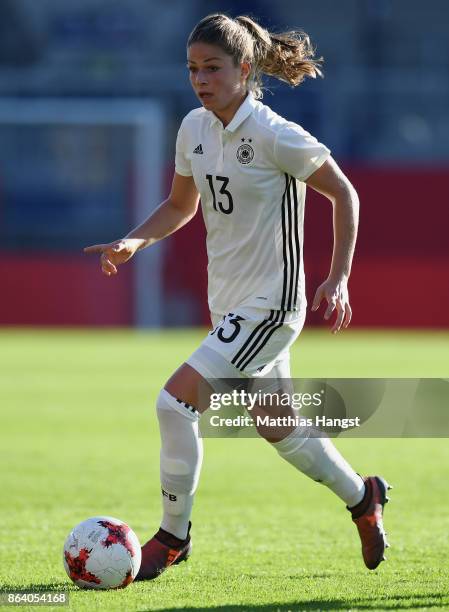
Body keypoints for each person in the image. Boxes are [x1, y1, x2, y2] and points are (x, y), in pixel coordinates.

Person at [84, 13, 391, 580]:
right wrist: (134, 240)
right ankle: (363, 496)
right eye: (193, 69)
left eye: (213, 68)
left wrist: (339, 275)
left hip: (272, 305)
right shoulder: (193, 129)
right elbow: (181, 206)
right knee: (277, 425)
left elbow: (344, 194)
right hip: (229, 303)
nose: (200, 80)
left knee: (173, 403)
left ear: (245, 69)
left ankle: (174, 536)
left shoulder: (275, 134)